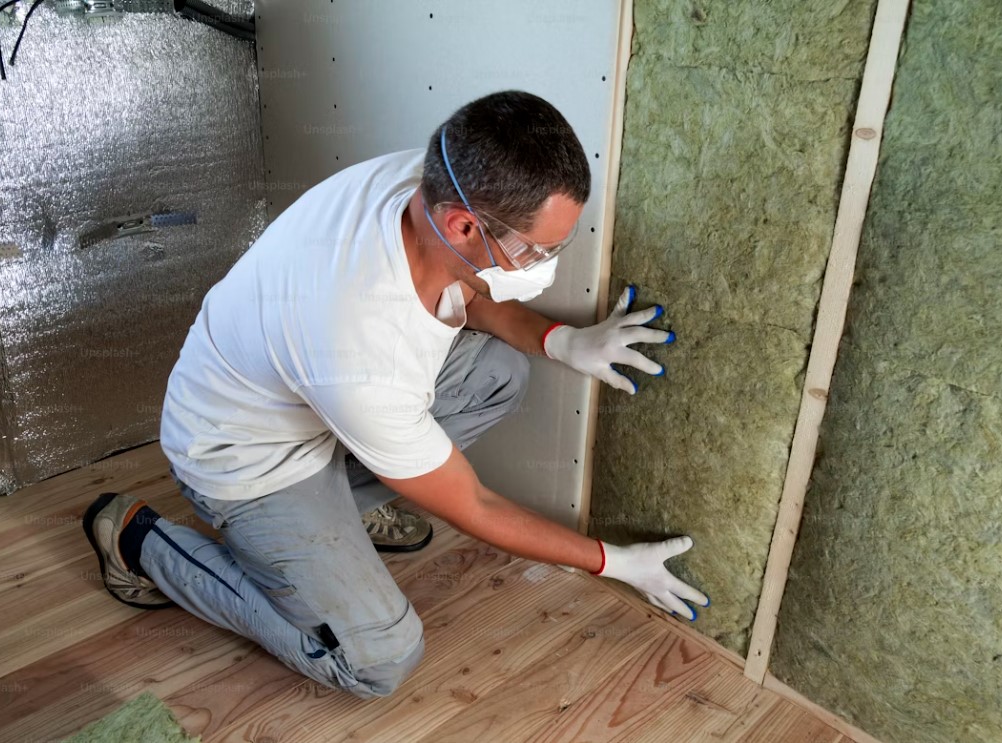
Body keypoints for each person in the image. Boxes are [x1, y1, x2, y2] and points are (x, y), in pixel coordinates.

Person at [82, 90, 708, 699]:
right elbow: (478, 508)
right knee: (377, 661)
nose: (545, 262)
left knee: (499, 372)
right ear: (461, 224)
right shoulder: (358, 346)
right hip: (244, 459)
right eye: (537, 249)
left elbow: (471, 286)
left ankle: (333, 525)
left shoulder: (436, 178)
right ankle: (141, 540)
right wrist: (611, 562)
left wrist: (562, 342)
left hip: (313, 406)